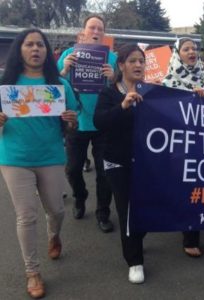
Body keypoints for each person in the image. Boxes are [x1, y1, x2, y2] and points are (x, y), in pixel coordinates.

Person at [0, 28, 78, 298]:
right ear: (19, 50)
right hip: (14, 158)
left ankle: (54, 234)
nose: (35, 49)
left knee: (56, 210)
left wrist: (71, 120)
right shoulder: (6, 85)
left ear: (47, 51)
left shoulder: (59, 85)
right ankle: (32, 271)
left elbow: (72, 121)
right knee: (26, 215)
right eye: (29, 44)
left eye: (40, 45)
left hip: (51, 156)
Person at [57, 15, 116, 233]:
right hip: (76, 123)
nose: (96, 31)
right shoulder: (67, 55)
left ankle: (103, 212)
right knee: (72, 169)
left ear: (103, 34)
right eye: (92, 27)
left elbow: (122, 89)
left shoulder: (112, 58)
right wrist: (63, 71)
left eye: (100, 28)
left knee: (104, 172)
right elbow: (52, 90)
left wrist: (113, 78)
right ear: (83, 31)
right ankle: (80, 197)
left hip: (103, 123)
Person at [94, 44, 147, 284]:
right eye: (133, 61)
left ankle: (137, 237)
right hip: (118, 162)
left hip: (148, 164)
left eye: (141, 61)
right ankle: (134, 261)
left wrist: (196, 96)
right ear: (121, 65)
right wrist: (122, 106)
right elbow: (100, 122)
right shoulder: (109, 93)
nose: (138, 65)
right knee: (127, 212)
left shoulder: (153, 91)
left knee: (146, 209)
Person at [162, 38, 204, 257]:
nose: (191, 52)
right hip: (180, 146)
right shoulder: (167, 81)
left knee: (200, 190)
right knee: (186, 190)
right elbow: (165, 111)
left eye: (194, 48)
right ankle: (189, 236)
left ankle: (193, 231)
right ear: (177, 53)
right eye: (186, 49)